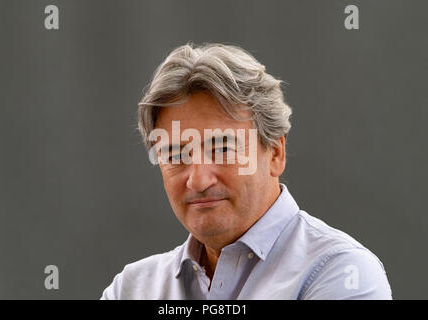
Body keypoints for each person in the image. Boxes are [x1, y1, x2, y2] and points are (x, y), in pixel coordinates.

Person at [100, 43, 392, 299]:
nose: (198, 180)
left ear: (276, 153)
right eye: (175, 154)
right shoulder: (131, 288)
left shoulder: (341, 273)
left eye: (223, 149)